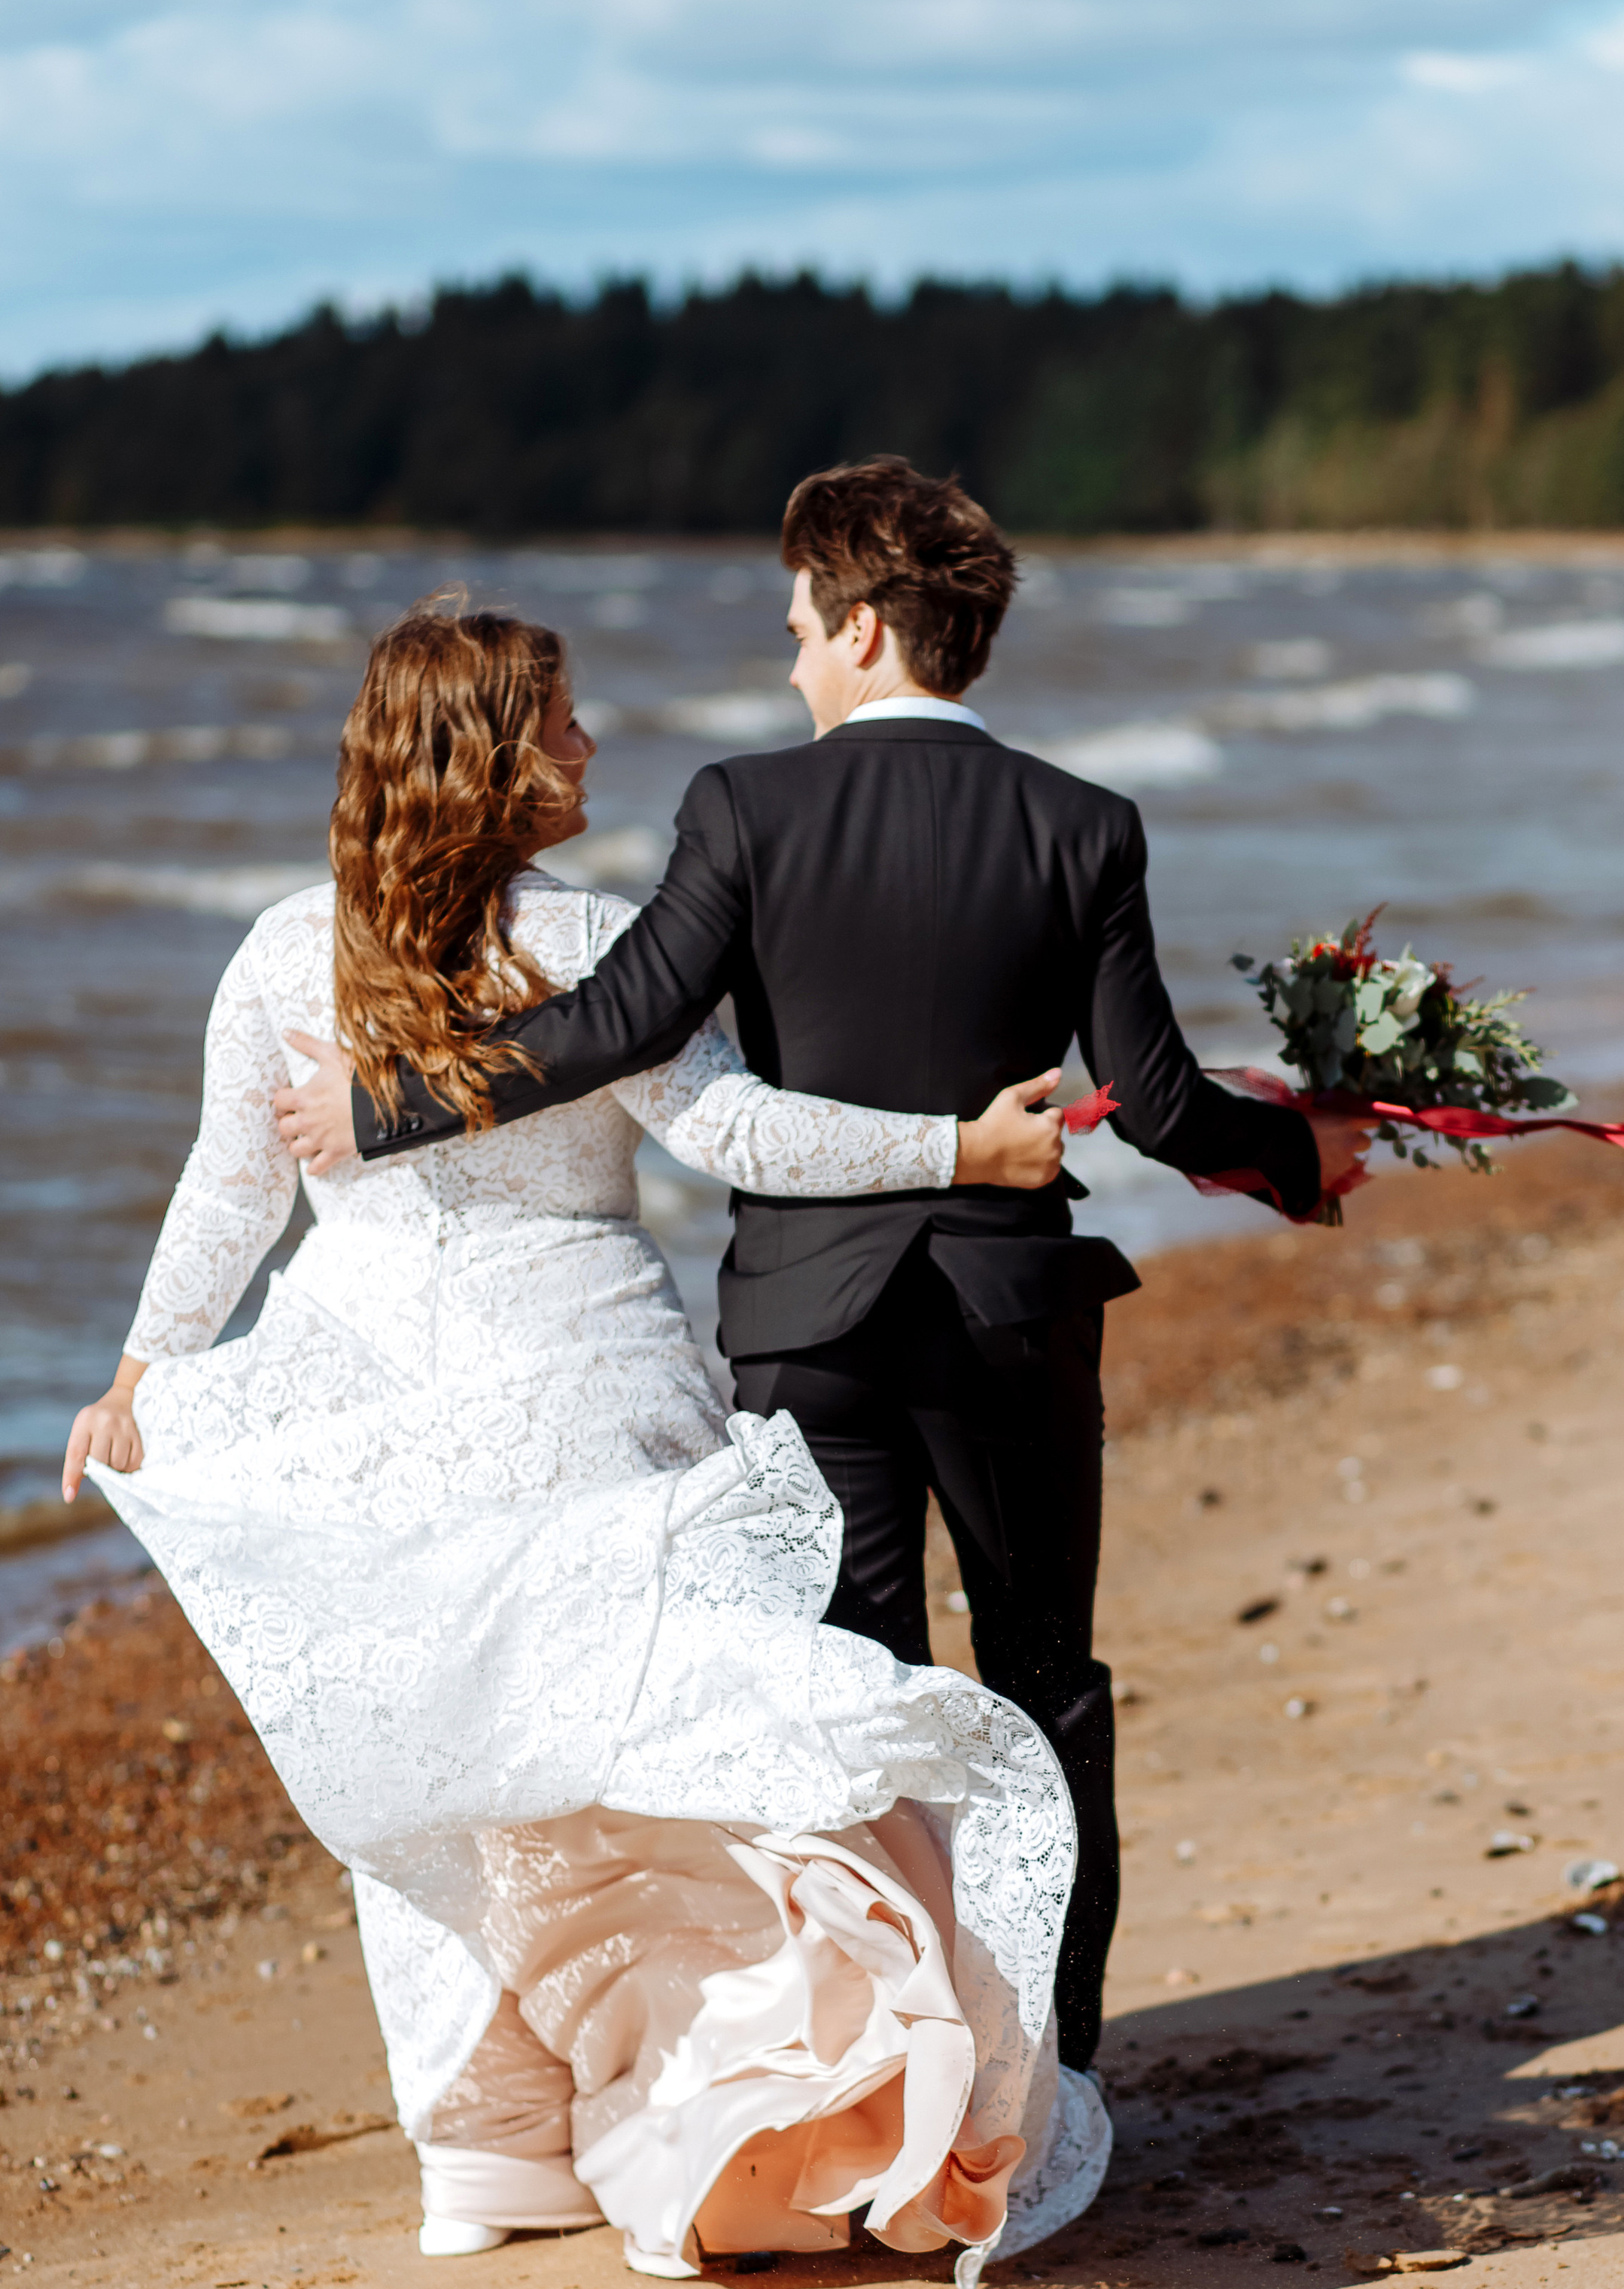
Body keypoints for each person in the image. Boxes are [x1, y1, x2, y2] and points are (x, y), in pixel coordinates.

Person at [275, 461, 1372, 2072]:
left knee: (854, 1701)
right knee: (1045, 1679)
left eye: (798, 624)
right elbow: (1152, 1100)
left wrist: (386, 1108)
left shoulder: (744, 808)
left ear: (863, 627)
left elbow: (615, 1028)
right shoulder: (1085, 824)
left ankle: (906, 2064)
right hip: (1009, 1319)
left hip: (808, 1331)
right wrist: (1300, 1160)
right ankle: (1054, 2063)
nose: (789, 657)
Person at [65, 596, 1109, 2285]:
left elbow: (231, 1194)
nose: (586, 743)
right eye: (555, 721)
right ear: (481, 754)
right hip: (578, 1388)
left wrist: (140, 1365)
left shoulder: (280, 950)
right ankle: (748, 2088)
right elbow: (733, 1133)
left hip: (375, 1409)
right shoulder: (595, 944)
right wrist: (954, 1147)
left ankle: (487, 2158)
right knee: (661, 1753)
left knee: (435, 1773)